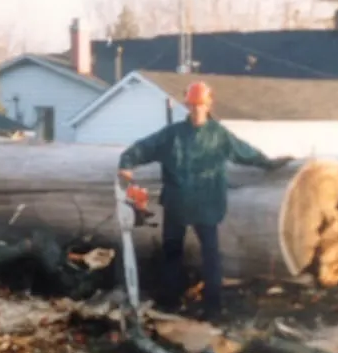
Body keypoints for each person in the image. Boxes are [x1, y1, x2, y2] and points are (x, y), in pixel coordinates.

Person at [118, 80, 292, 319]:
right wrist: (126, 163)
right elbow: (143, 148)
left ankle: (213, 306)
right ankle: (170, 302)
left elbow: (245, 152)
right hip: (177, 203)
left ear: (209, 104)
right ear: (188, 105)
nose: (197, 109)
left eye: (200, 104)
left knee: (211, 254)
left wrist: (269, 164)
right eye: (193, 105)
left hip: (207, 203)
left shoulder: (219, 135)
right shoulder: (172, 135)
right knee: (172, 253)